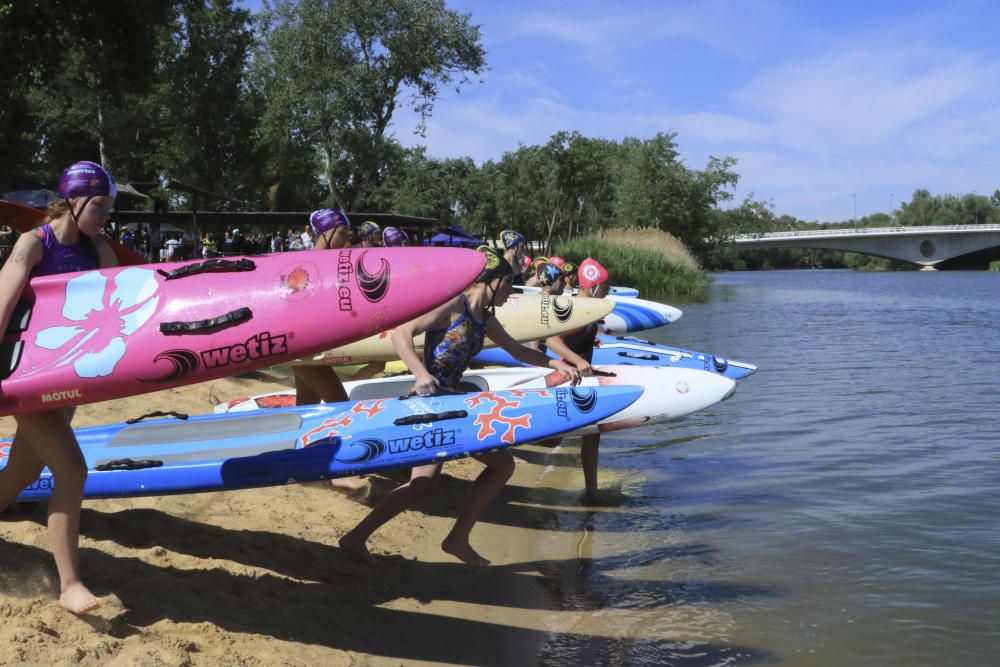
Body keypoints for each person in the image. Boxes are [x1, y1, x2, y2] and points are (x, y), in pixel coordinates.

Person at [339, 246, 582, 567]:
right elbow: (402, 333)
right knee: (449, 478)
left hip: (453, 405)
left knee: (443, 479)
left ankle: (442, 538)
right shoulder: (454, 305)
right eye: (508, 284)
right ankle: (437, 539)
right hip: (429, 405)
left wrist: (556, 364)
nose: (510, 292)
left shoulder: (485, 319)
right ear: (491, 281)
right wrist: (421, 373)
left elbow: (518, 352)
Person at [0, 161, 119, 614]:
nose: (106, 215)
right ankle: (70, 584)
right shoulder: (34, 243)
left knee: (22, 472)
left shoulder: (98, 250)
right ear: (73, 200)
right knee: (72, 470)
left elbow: (121, 302)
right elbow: (3, 301)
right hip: (29, 378)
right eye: (100, 205)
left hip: (70, 379)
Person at [544, 258, 611, 502]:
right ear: (593, 287)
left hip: (582, 377)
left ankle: (591, 490)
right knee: (553, 435)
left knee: (593, 432)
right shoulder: (575, 309)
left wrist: (589, 341)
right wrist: (578, 360)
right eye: (605, 288)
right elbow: (551, 339)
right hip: (567, 377)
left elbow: (574, 337)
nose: (607, 293)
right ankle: (512, 453)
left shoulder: (589, 308)